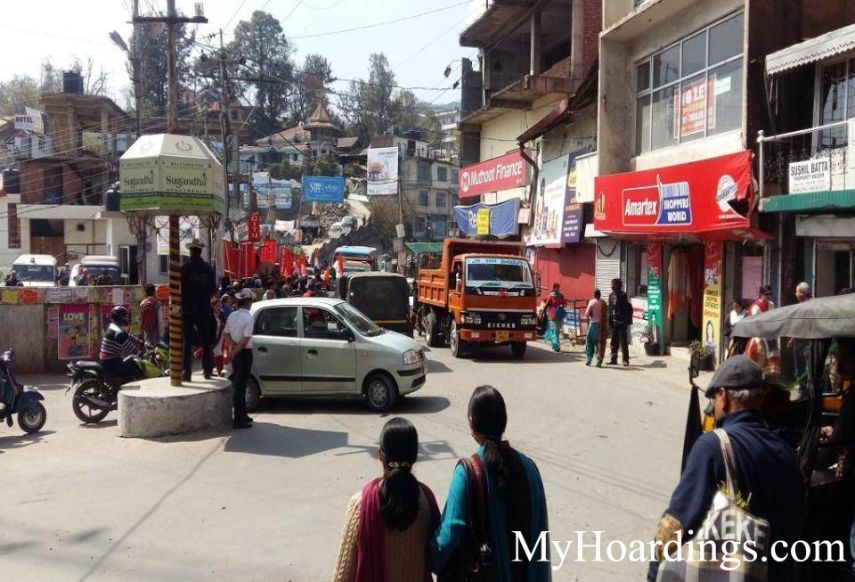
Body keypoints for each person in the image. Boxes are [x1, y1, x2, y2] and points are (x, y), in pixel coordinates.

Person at [648, 356, 802, 581]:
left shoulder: (713, 446)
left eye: (714, 398)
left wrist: (654, 572)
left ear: (724, 396)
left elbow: (676, 523)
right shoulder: (787, 452)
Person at [431, 385, 551, 581]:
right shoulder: (530, 469)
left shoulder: (468, 472)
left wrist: (428, 557)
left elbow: (448, 537)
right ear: (504, 421)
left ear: (472, 422)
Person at [331, 418, 440, 581]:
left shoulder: (360, 505)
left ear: (380, 455)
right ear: (415, 457)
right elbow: (439, 557)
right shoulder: (426, 501)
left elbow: (342, 576)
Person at [180, 238, 216, 381]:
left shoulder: (184, 269)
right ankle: (207, 371)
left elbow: (178, 289)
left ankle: (187, 373)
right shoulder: (208, 268)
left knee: (187, 343)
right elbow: (212, 289)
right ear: (200, 251)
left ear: (190, 251)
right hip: (203, 310)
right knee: (206, 342)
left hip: (187, 310)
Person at [224, 289, 254, 429]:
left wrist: (233, 349)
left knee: (241, 383)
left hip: (236, 352)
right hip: (244, 353)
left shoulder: (232, 315)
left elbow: (226, 335)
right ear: (248, 302)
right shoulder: (248, 318)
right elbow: (245, 340)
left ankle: (243, 414)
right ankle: (238, 419)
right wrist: (236, 350)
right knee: (240, 386)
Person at [98, 305, 145, 385]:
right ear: (120, 318)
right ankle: (120, 387)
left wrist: (141, 343)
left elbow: (128, 336)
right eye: (125, 317)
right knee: (133, 369)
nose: (126, 319)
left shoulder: (114, 327)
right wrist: (140, 354)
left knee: (130, 360)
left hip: (109, 360)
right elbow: (128, 346)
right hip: (110, 362)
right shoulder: (117, 332)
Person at [608, 278, 632, 366]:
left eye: (614, 284)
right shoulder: (611, 296)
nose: (612, 286)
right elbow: (610, 309)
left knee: (623, 343)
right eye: (612, 284)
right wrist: (610, 321)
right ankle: (613, 359)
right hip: (613, 323)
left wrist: (624, 321)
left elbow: (625, 310)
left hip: (621, 323)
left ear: (618, 286)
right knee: (613, 342)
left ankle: (625, 360)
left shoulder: (622, 295)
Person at [585, 289, 607, 367]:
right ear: (600, 295)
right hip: (601, 326)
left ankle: (589, 359)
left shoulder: (592, 302)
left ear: (594, 295)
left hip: (593, 325)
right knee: (599, 343)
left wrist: (592, 314)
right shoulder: (604, 303)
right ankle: (599, 360)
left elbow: (586, 314)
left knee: (590, 342)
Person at [543, 283, 567, 353]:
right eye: (557, 287)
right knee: (553, 331)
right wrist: (542, 314)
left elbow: (565, 303)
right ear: (554, 288)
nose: (558, 289)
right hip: (552, 316)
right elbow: (546, 305)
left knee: (556, 332)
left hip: (559, 316)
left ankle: (556, 345)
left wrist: (562, 305)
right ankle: (556, 346)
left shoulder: (561, 295)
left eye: (558, 287)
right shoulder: (551, 296)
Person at [210, 296, 227, 377]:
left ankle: (219, 371)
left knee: (218, 353)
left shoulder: (222, 315)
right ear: (213, 306)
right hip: (213, 337)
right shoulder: (210, 316)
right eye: (217, 306)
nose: (219, 307)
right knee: (215, 353)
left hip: (221, 337)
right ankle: (217, 371)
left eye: (220, 305)